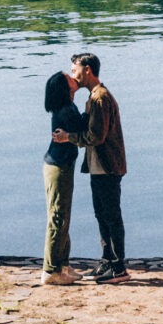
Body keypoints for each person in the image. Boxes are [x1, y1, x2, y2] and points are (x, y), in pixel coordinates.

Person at [70, 52, 127, 281]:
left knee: (111, 215)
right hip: (98, 167)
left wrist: (68, 138)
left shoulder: (100, 97)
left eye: (75, 70)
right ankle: (107, 261)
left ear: (87, 70)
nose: (74, 75)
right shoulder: (93, 97)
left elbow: (96, 136)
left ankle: (119, 266)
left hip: (108, 167)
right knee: (101, 214)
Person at [43, 70, 86, 284]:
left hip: (62, 164)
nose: (73, 77)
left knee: (63, 215)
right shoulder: (66, 110)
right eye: (69, 77)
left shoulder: (67, 107)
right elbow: (85, 132)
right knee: (58, 217)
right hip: (58, 166)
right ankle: (51, 271)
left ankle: (63, 266)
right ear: (65, 87)